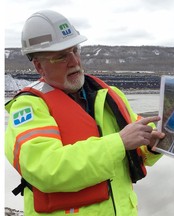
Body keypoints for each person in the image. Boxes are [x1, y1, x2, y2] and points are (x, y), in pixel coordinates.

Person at [5, 10, 165, 216]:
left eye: (75, 50)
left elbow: (136, 150)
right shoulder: (29, 108)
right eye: (61, 56)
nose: (74, 61)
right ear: (39, 66)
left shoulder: (109, 95)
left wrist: (152, 146)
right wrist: (119, 142)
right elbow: (45, 169)